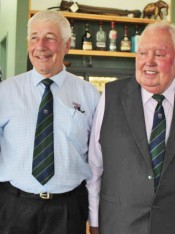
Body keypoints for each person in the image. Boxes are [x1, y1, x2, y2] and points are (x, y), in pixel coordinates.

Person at [87, 21, 175, 234]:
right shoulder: (111, 97)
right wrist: (94, 220)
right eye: (142, 53)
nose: (148, 62)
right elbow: (94, 166)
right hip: (119, 224)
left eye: (159, 54)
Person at [0, 10, 100, 234]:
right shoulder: (4, 92)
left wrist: (95, 216)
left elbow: (97, 160)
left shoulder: (90, 95)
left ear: (67, 45)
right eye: (34, 37)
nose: (41, 45)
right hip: (14, 206)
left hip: (67, 209)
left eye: (50, 38)